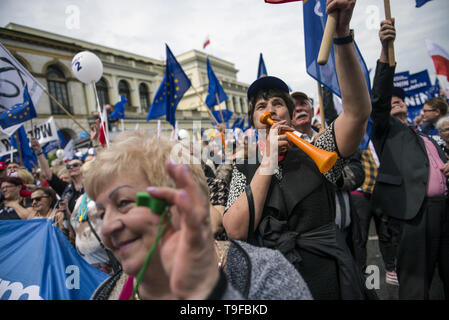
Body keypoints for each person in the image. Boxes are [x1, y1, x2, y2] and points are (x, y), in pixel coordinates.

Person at [223, 0, 373, 300]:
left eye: (277, 103)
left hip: (326, 273)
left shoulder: (318, 148)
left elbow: (357, 112)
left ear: (290, 115)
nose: (270, 110)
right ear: (255, 121)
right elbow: (235, 230)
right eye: (261, 106)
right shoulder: (245, 168)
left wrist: (341, 36)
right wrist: (266, 162)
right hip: (272, 280)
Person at [83, 131, 312, 300]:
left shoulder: (263, 275)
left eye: (124, 203)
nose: (107, 227)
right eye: (101, 213)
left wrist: (210, 293)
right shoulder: (103, 296)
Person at [370, 18, 449, 299]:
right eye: (392, 101)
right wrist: (386, 48)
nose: (397, 101)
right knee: (417, 284)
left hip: (444, 211)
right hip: (415, 214)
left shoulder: (424, 134)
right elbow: (379, 98)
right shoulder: (385, 130)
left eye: (400, 99)